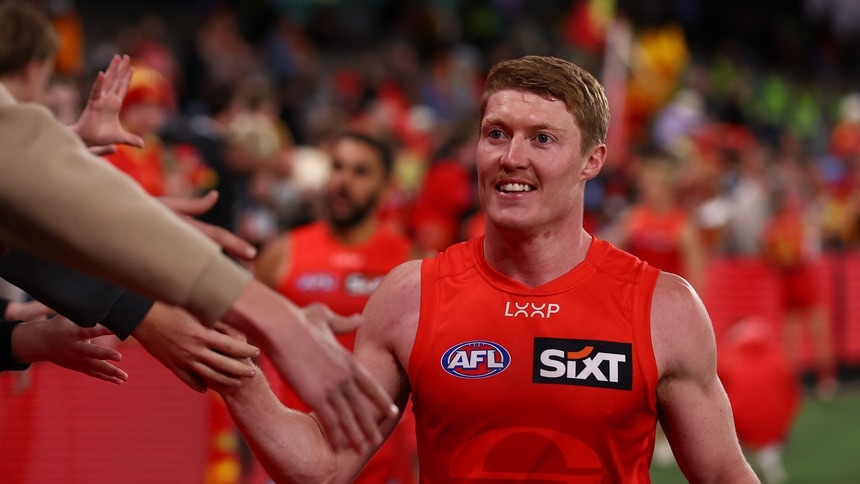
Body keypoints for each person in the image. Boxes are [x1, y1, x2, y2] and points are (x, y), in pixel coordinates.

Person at [206, 55, 758, 482]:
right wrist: (239, 374)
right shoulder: (410, 296)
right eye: (496, 133)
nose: (510, 157)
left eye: (542, 138)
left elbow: (721, 474)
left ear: (593, 160)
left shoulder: (665, 308)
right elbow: (323, 468)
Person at [0, 1, 396, 451]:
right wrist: (277, 321)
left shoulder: (408, 259)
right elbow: (42, 203)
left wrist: (22, 338)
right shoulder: (286, 251)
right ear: (34, 67)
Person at [252, 131, 423, 483]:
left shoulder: (412, 261)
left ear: (384, 187)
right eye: (337, 167)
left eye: (360, 172)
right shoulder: (282, 254)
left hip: (381, 454)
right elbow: (241, 339)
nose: (343, 181)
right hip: (291, 444)